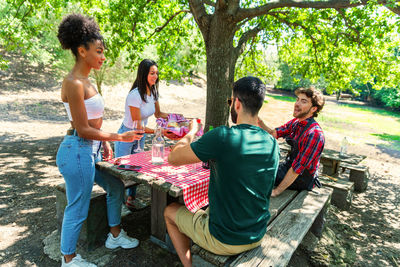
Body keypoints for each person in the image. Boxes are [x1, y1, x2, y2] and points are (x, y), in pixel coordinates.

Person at [164, 76, 280, 267]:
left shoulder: (223, 137)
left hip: (224, 239)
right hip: (257, 232)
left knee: (170, 211)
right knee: (205, 208)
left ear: (236, 104)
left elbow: (173, 158)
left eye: (230, 101)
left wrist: (191, 133)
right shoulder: (272, 143)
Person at [56, 14, 141, 267]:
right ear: (82, 51)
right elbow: (82, 129)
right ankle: (68, 259)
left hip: (89, 150)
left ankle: (114, 236)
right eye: (99, 51)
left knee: (115, 187)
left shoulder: (87, 80)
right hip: (77, 151)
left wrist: (103, 142)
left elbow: (92, 122)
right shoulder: (73, 83)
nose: (103, 57)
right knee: (78, 207)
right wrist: (117, 136)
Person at [114, 59, 179, 209]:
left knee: (136, 167)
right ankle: (119, 205)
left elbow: (158, 114)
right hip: (127, 134)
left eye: (156, 73)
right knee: (121, 170)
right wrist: (161, 131)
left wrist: (177, 118)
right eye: (152, 73)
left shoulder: (153, 91)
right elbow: (138, 126)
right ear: (143, 74)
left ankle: (131, 198)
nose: (155, 76)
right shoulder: (135, 95)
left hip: (140, 136)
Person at [258, 87, 325, 197]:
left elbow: (297, 169)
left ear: (313, 109)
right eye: (297, 99)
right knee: (256, 168)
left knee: (256, 176)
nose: (297, 104)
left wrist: (276, 192)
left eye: (303, 101)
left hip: (302, 178)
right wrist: (260, 122)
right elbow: (274, 133)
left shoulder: (314, 134)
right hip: (289, 167)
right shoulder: (296, 122)